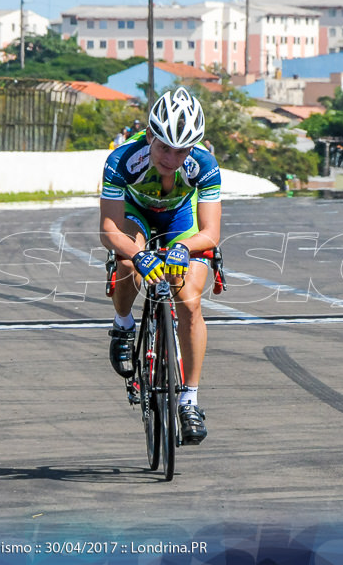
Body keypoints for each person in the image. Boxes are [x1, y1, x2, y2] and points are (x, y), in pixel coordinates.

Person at [100, 86, 221, 445]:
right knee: (127, 266)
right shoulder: (122, 160)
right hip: (136, 214)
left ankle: (189, 399)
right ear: (150, 135)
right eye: (164, 147)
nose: (172, 157)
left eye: (182, 149)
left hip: (180, 219)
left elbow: (211, 232)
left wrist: (182, 248)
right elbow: (108, 229)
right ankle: (123, 324)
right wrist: (139, 255)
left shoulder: (204, 165)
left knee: (190, 301)